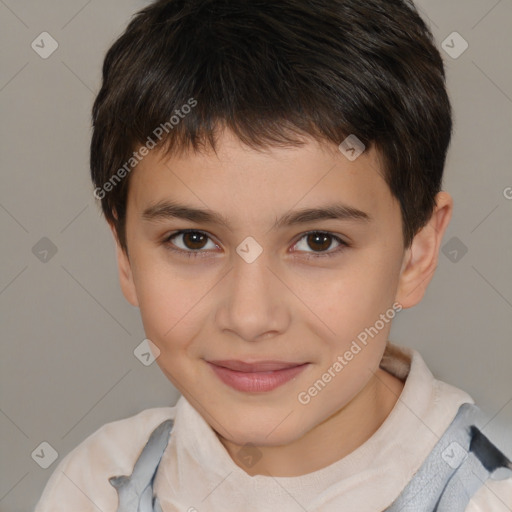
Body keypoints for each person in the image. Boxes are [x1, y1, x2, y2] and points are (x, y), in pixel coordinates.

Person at [35, 0, 512, 510]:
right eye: (193, 240)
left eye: (319, 241)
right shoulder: (94, 484)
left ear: (416, 253)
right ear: (126, 255)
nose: (250, 317)